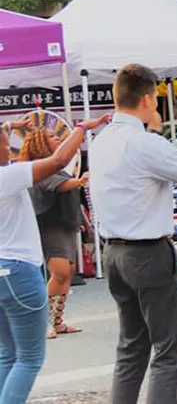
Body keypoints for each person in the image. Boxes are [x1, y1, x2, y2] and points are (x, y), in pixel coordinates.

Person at [89, 64, 177, 404]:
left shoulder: (102, 140)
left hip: (115, 252)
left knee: (131, 348)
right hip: (147, 253)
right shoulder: (143, 143)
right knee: (168, 351)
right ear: (147, 100)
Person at [0, 115, 108, 404]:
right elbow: (59, 160)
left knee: (8, 355)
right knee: (29, 358)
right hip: (18, 271)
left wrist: (11, 126)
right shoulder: (7, 176)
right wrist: (82, 128)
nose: (10, 147)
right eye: (5, 143)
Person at [19, 127, 90, 339]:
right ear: (40, 142)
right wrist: (80, 181)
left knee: (66, 272)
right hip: (49, 224)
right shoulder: (40, 168)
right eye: (51, 136)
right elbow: (59, 186)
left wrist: (80, 220)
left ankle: (56, 321)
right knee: (59, 272)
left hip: (64, 224)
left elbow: (69, 194)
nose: (57, 138)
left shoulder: (54, 167)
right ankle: (42, 323)